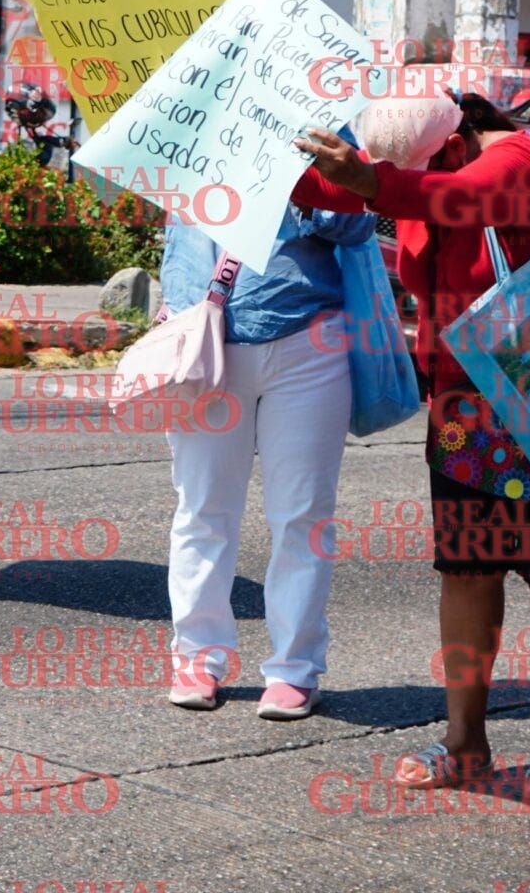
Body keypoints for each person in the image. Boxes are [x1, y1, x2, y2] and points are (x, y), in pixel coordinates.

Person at [295, 93, 530, 804]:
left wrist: (374, 183)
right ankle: (466, 742)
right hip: (464, 409)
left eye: (412, 169)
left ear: (455, 141)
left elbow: (455, 196)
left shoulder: (513, 159)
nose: (394, 178)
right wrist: (247, 163)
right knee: (466, 572)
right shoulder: (417, 165)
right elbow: (335, 185)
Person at [156, 174, 373, 720]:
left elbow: (360, 223)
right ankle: (196, 658)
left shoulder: (323, 123)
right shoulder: (190, 115)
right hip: (202, 338)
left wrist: (311, 185)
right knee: (203, 507)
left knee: (303, 513)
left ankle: (295, 670)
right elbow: (177, 230)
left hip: (307, 338)